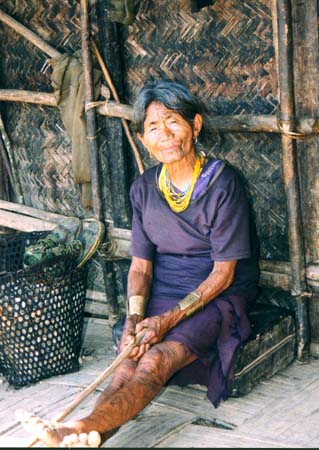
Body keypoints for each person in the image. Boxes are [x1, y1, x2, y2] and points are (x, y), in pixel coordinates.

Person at [17, 80, 260, 447]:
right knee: (127, 358)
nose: (164, 134)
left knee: (156, 359)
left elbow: (224, 273)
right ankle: (86, 432)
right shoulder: (144, 188)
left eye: (173, 121)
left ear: (195, 126)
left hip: (216, 294)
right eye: (152, 126)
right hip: (164, 290)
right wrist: (134, 317)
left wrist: (165, 320)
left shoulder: (223, 183)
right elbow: (141, 267)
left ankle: (77, 428)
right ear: (144, 139)